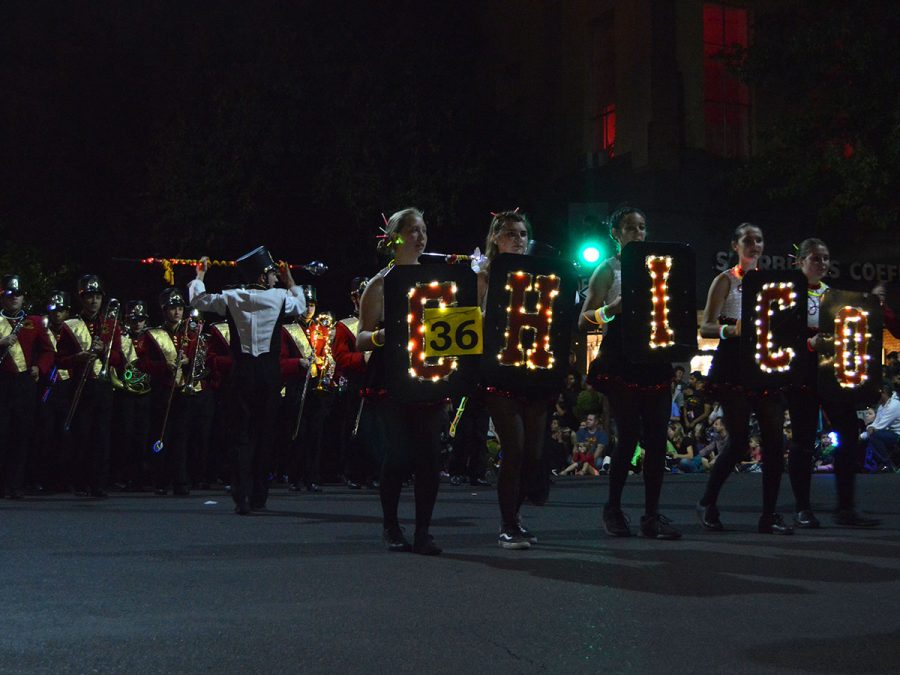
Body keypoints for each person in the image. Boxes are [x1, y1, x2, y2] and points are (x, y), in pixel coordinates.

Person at [579, 206, 681, 539]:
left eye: (642, 227)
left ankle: (651, 514)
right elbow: (584, 319)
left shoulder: (660, 270)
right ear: (616, 234)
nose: (637, 233)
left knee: (656, 439)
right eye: (630, 227)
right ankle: (613, 507)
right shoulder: (607, 269)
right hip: (621, 360)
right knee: (629, 437)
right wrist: (611, 310)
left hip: (654, 358)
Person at [188, 246, 306, 514]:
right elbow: (300, 305)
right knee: (265, 434)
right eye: (272, 273)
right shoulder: (279, 297)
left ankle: (241, 496)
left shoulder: (231, 296)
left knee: (241, 435)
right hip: (268, 373)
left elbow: (199, 301)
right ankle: (259, 497)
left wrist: (200, 275)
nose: (275, 277)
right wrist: (291, 281)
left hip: (241, 372)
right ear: (262, 276)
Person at [357, 208, 443, 555]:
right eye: (412, 231)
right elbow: (361, 337)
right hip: (391, 377)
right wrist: (383, 335)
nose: (420, 237)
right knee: (397, 456)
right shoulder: (379, 283)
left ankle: (424, 530)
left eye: (423, 230)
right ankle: (391, 524)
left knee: (430, 458)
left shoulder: (435, 280)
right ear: (394, 237)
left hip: (428, 375)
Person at [696, 223, 791, 534]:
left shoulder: (772, 283)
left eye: (759, 240)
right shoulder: (725, 281)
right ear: (735, 245)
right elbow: (706, 326)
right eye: (748, 240)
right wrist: (734, 329)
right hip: (734, 365)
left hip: (765, 363)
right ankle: (708, 501)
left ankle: (770, 514)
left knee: (775, 440)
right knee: (737, 442)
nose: (755, 245)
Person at [475, 209, 557, 548]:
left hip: (534, 369)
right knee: (515, 447)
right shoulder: (485, 273)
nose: (518, 240)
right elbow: (476, 317)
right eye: (511, 234)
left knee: (534, 453)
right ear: (496, 237)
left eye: (523, 234)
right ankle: (508, 523)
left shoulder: (539, 271)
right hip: (499, 370)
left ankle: (516, 516)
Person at [784, 238, 880, 527]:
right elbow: (778, 334)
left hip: (832, 371)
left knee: (849, 431)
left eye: (826, 258)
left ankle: (846, 506)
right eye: (815, 258)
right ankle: (802, 507)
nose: (822, 263)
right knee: (802, 439)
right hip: (801, 371)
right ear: (800, 262)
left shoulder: (836, 296)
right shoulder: (788, 294)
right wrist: (807, 343)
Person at [55, 274, 124, 498]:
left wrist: (104, 350)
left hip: (103, 385)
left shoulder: (111, 325)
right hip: (80, 385)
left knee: (102, 435)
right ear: (81, 298)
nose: (93, 301)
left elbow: (118, 359)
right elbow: (60, 359)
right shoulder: (70, 326)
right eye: (89, 297)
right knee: (81, 434)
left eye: (97, 296)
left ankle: (98, 483)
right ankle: (80, 480)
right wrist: (78, 357)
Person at [0, 274, 54, 498]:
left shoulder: (34, 321)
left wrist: (39, 368)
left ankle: (16, 484)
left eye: (18, 295)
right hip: (1, 383)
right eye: (10, 295)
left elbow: (49, 350)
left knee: (21, 436)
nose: (15, 299)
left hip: (24, 385)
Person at [860, 383, 900, 472]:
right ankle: (865, 467)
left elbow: (880, 426)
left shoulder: (894, 405)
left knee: (875, 436)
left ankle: (888, 464)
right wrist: (861, 436)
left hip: (897, 435)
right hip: (886, 432)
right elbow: (875, 424)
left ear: (884, 393)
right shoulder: (882, 406)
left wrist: (869, 429)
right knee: (864, 438)